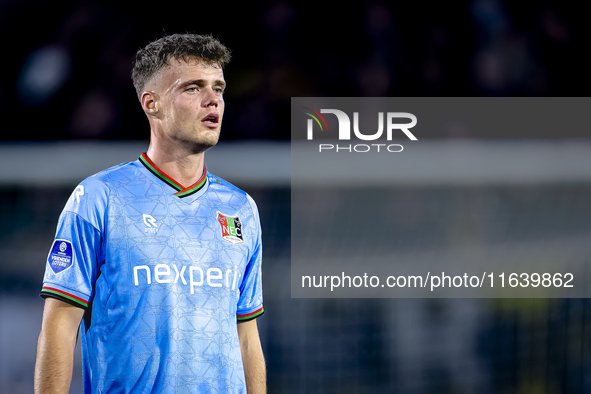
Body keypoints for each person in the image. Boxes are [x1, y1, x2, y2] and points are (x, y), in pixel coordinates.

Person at [34, 33, 266, 394]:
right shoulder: (99, 198)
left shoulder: (240, 209)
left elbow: (246, 337)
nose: (213, 101)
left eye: (218, 88)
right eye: (193, 88)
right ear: (151, 103)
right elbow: (60, 325)